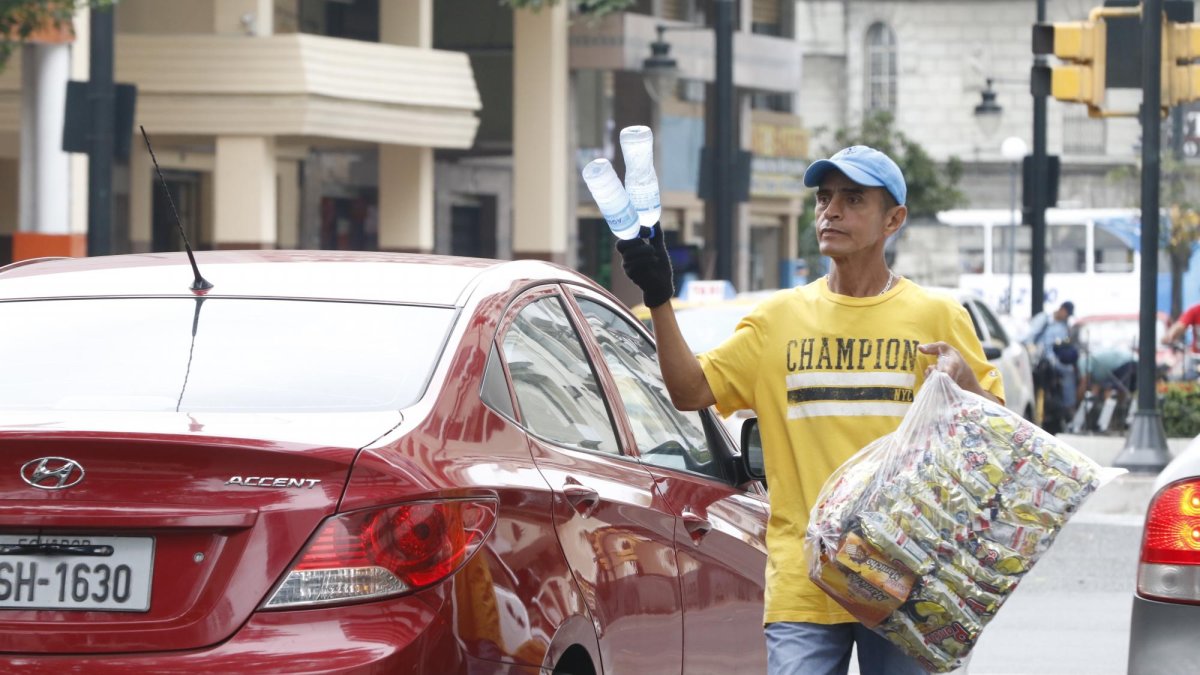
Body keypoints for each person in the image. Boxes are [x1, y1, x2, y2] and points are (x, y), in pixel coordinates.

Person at [617, 145, 1004, 675]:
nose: (831, 211)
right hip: (806, 579)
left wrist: (967, 386)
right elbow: (690, 391)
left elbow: (997, 436)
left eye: (853, 199)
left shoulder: (937, 316)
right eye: (824, 198)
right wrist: (659, 297)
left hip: (909, 577)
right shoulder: (778, 319)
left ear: (894, 220)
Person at [1021, 301, 1077, 433]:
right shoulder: (1044, 319)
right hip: (1036, 363)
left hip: (1052, 366)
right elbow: (1029, 336)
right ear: (1062, 310)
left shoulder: (1063, 327)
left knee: (1068, 374)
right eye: (1067, 314)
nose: (1066, 317)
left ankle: (1064, 412)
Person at [1163, 302, 1200, 380]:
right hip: (1196, 357)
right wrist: (1170, 335)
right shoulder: (1195, 310)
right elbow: (1180, 325)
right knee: (1177, 378)